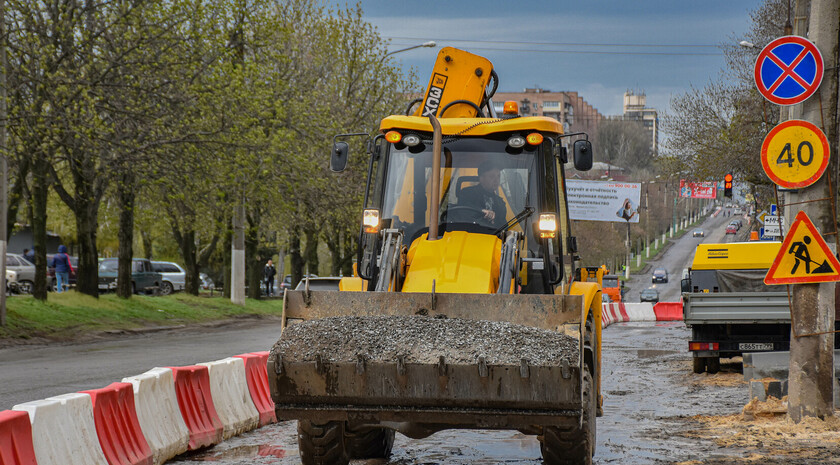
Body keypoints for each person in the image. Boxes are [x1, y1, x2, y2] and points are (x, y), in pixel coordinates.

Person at [458, 161, 507, 229]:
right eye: (492, 176)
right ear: (481, 178)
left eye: (498, 176)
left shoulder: (500, 203)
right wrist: (481, 211)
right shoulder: (467, 193)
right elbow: (462, 210)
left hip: (493, 237)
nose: (496, 180)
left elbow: (503, 226)